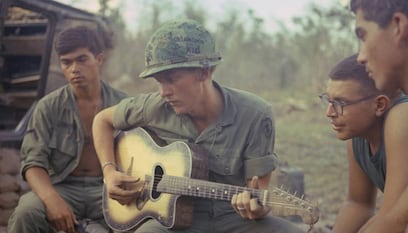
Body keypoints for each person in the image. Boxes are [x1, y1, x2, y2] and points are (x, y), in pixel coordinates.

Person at [92, 19, 306, 233]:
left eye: (172, 79)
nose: (163, 91)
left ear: (204, 72)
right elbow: (102, 120)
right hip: (171, 221)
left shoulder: (256, 115)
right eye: (159, 81)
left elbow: (259, 190)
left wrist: (257, 208)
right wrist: (109, 172)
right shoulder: (154, 106)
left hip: (233, 219)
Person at [7, 26, 127, 233]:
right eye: (66, 62)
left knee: (146, 221)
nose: (74, 69)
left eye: (81, 60)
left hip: (108, 189)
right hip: (63, 186)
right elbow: (33, 163)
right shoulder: (48, 107)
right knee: (25, 213)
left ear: (99, 59)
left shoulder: (124, 105)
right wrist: (52, 199)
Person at [320, 54, 408, 233]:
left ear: (379, 105)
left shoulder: (404, 115)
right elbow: (358, 205)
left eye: (341, 102)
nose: (329, 112)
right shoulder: (357, 134)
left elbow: (395, 220)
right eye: (328, 100)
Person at [350, 0, 408, 232]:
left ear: (398, 26)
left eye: (363, 36)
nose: (360, 57)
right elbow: (396, 220)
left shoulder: (403, 115)